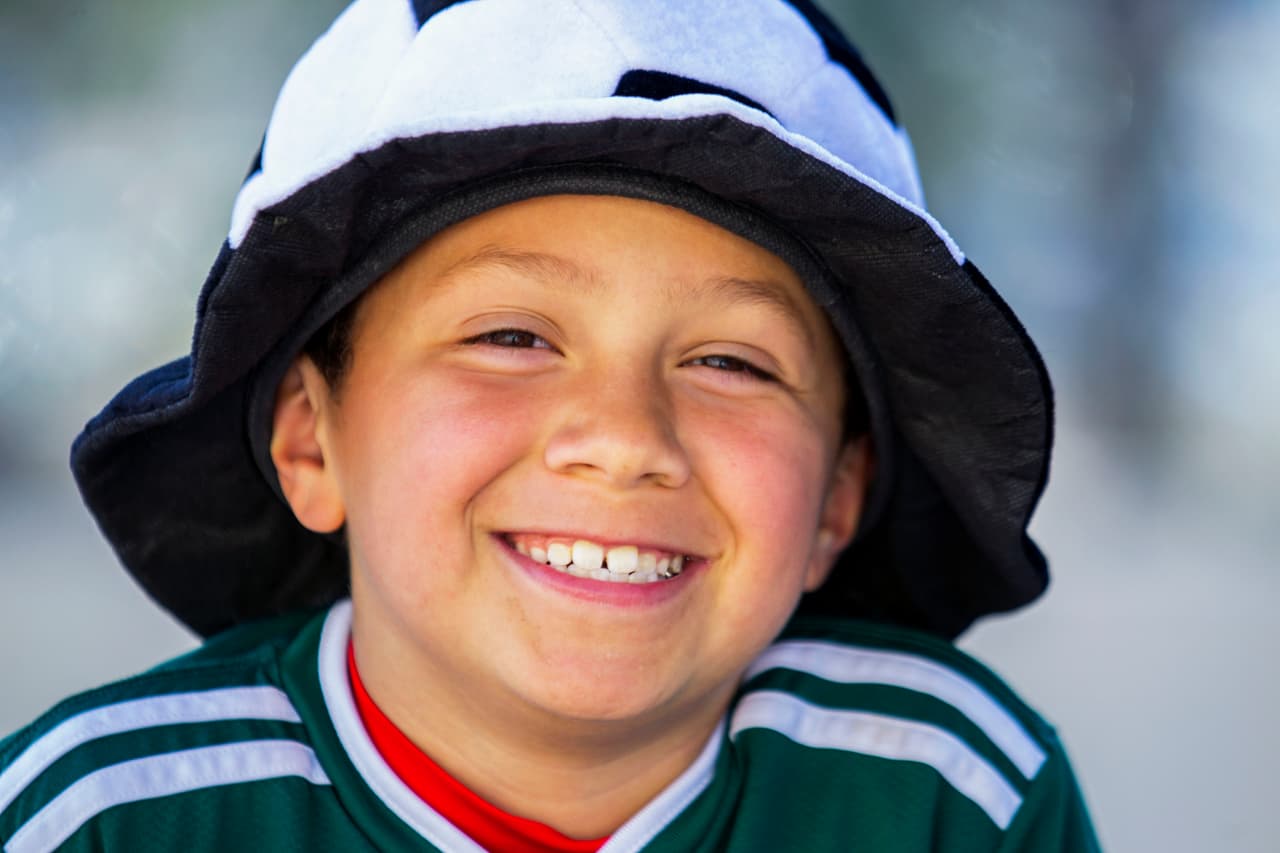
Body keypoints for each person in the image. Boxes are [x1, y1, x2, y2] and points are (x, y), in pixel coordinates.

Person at [0, 1, 1100, 850]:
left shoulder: (948, 793)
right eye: (512, 337)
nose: (623, 439)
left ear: (836, 497)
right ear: (309, 441)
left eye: (729, 361)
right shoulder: (99, 818)